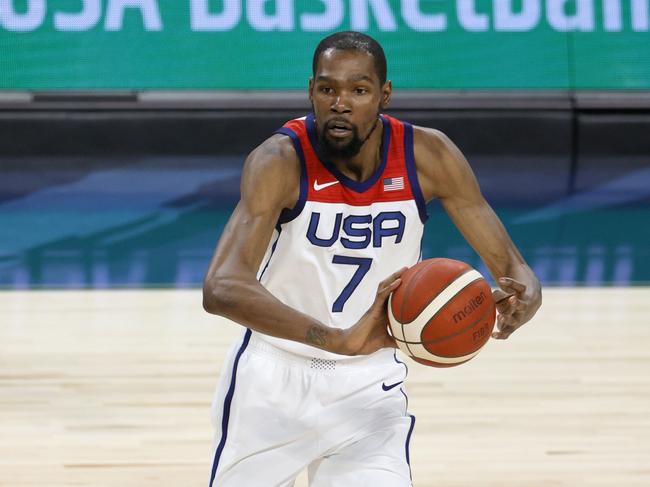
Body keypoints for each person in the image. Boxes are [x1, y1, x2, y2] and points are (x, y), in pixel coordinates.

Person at [202, 31, 542, 487]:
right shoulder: (279, 160)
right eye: (328, 89)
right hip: (271, 384)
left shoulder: (428, 154)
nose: (340, 103)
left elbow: (511, 266)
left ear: (384, 95)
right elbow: (221, 287)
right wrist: (334, 339)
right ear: (311, 92)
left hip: (370, 385)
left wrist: (526, 288)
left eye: (358, 90)